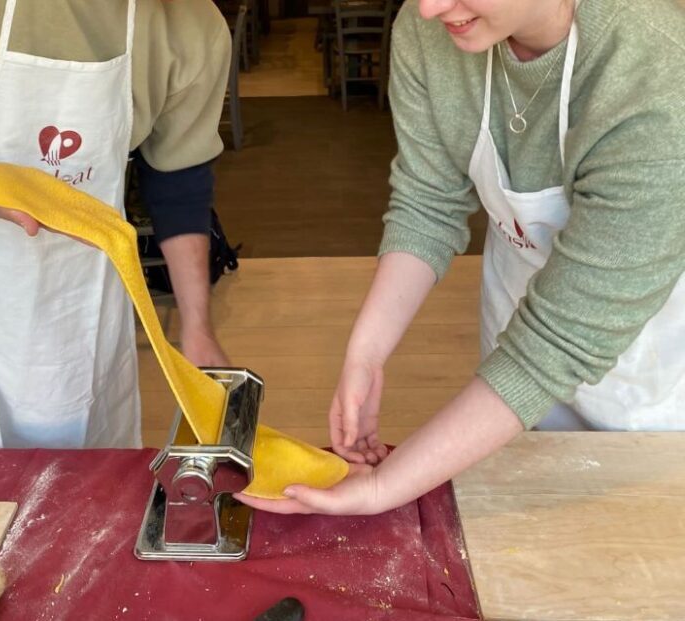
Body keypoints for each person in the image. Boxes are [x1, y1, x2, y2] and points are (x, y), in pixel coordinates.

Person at [238, 0, 685, 515]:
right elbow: (428, 201)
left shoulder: (656, 74)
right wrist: (366, 351)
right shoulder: (432, 32)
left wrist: (387, 488)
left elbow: (559, 341)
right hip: (514, 363)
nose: (429, 9)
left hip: (650, 385)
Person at [0, 0, 231, 448]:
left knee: (78, 484)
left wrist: (197, 330)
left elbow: (178, 180)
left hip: (71, 316)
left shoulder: (191, 25)